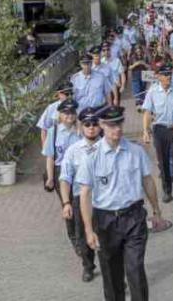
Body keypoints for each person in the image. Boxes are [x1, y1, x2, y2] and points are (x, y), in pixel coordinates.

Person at [77, 106, 163, 301]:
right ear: (101, 126)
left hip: (133, 217)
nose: (117, 129)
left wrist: (156, 210)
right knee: (111, 274)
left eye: (119, 124)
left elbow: (147, 180)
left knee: (135, 268)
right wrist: (89, 231)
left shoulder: (135, 151)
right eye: (111, 125)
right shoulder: (91, 157)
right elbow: (85, 194)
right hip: (106, 221)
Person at [142, 64, 173, 209]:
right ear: (158, 77)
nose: (168, 78)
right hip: (160, 131)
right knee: (163, 163)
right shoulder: (152, 92)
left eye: (169, 75)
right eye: (164, 75)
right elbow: (146, 112)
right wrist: (146, 131)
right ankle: (167, 190)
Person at [59, 107, 100, 282]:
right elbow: (65, 178)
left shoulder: (108, 146)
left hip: (104, 199)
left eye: (95, 124)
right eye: (87, 124)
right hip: (80, 199)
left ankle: (113, 269)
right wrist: (66, 203)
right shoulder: (73, 150)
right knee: (83, 235)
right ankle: (88, 266)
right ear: (82, 127)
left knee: (109, 236)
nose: (91, 127)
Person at [41, 98, 81, 251]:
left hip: (79, 171)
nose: (70, 116)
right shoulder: (54, 131)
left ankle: (82, 234)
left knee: (80, 202)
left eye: (72, 112)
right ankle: (75, 239)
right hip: (60, 172)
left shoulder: (82, 130)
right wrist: (50, 178)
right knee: (68, 204)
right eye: (66, 113)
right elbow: (50, 156)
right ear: (61, 115)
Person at [37, 81, 73, 147]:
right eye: (67, 94)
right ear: (59, 94)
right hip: (55, 144)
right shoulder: (52, 108)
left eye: (71, 93)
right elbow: (44, 128)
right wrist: (45, 148)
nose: (69, 96)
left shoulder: (77, 107)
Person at [101, 42, 126, 106]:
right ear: (102, 52)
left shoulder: (116, 61)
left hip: (116, 87)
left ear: (110, 50)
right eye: (104, 50)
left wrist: (123, 85)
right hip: (105, 89)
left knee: (116, 107)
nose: (106, 51)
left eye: (108, 49)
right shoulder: (101, 63)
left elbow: (122, 73)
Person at [129, 45, 149, 110]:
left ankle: (143, 103)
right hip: (135, 74)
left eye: (139, 50)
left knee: (143, 89)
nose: (138, 52)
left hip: (144, 74)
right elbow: (129, 67)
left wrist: (144, 64)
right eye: (137, 50)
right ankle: (138, 104)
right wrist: (136, 64)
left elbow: (149, 66)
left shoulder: (145, 57)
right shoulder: (132, 57)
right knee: (137, 89)